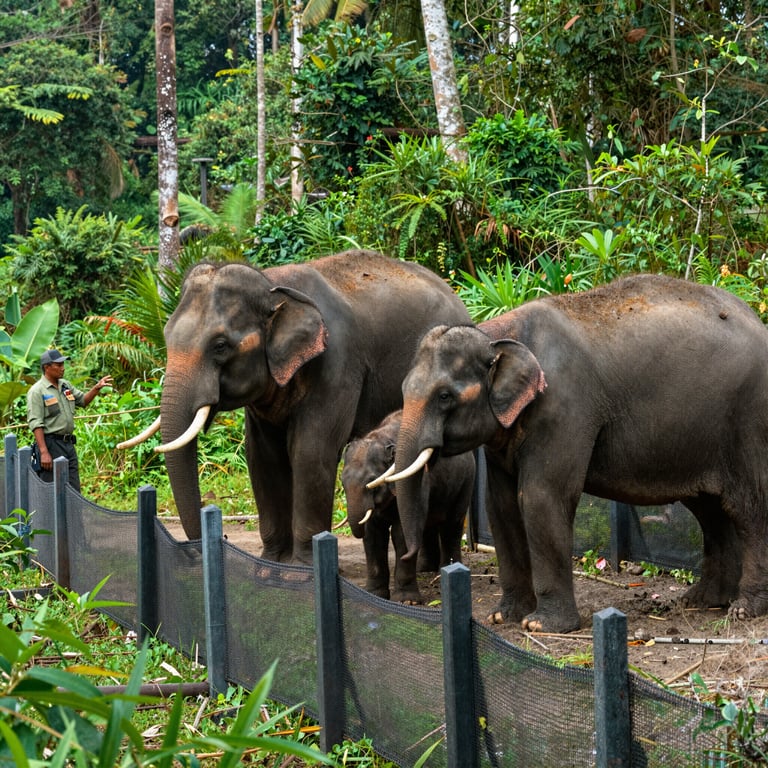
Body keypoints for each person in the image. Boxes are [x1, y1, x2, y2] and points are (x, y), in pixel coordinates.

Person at [27, 349, 113, 493]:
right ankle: (51, 516)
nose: (63, 368)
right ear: (47, 367)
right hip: (51, 444)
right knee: (51, 488)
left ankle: (74, 516)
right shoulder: (37, 391)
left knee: (73, 488)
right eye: (58, 365)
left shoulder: (65, 385)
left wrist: (96, 388)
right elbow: (36, 423)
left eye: (63, 364)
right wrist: (44, 452)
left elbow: (83, 401)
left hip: (68, 444)